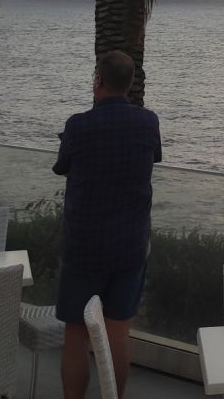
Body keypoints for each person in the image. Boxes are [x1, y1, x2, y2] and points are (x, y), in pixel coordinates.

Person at [54, 51, 161, 399]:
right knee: (117, 333)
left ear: (97, 81)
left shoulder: (78, 125)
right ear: (129, 84)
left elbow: (63, 165)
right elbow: (153, 157)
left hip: (84, 247)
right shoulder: (148, 122)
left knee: (77, 333)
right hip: (129, 246)